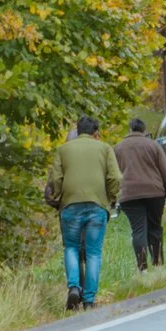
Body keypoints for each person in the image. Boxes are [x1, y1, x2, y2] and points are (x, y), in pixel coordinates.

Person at [48, 116, 125, 309]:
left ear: (78, 130)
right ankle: (89, 299)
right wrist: (111, 197)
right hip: (97, 205)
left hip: (70, 205)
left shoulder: (63, 150)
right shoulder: (105, 148)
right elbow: (115, 177)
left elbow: (56, 178)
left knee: (71, 247)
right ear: (96, 133)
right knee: (93, 253)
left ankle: (74, 287)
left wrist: (58, 196)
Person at [116, 117, 166, 270]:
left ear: (130, 130)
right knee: (155, 227)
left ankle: (143, 268)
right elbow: (165, 172)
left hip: (129, 194)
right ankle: (158, 263)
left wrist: (113, 198)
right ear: (144, 130)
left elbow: (114, 175)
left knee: (138, 230)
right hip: (154, 192)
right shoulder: (153, 145)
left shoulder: (118, 148)